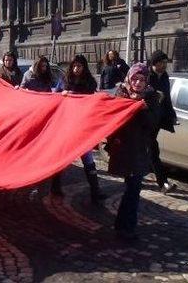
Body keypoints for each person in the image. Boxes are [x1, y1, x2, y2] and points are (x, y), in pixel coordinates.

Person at [107, 63, 161, 241]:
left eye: (142, 79)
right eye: (135, 79)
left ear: (147, 81)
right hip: (123, 148)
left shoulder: (151, 97)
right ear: (129, 78)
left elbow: (153, 124)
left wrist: (144, 110)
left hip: (139, 149)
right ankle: (124, 226)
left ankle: (126, 227)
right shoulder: (121, 94)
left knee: (133, 188)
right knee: (131, 189)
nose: (138, 83)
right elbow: (112, 120)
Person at [56, 55, 107, 203]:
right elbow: (53, 97)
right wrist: (62, 95)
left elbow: (93, 102)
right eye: (74, 66)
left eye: (80, 66)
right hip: (66, 125)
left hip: (82, 126)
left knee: (87, 157)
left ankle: (95, 192)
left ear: (84, 67)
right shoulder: (64, 81)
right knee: (61, 156)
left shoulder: (90, 83)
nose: (76, 69)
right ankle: (55, 186)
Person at [148, 50, 178, 193]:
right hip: (145, 119)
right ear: (155, 63)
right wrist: (153, 95)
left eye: (166, 62)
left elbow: (167, 99)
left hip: (157, 119)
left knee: (148, 149)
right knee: (153, 149)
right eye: (162, 63)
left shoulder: (164, 77)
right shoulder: (146, 76)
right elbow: (139, 93)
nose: (165, 65)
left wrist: (172, 114)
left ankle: (134, 175)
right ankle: (163, 183)